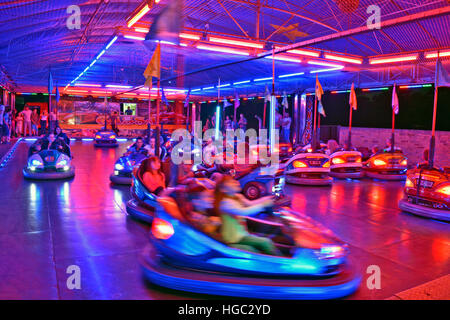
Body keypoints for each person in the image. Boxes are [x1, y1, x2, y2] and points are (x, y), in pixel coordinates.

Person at [213, 176, 279, 255]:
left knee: (265, 242)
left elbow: (251, 204)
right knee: (257, 248)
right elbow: (244, 212)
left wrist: (267, 198)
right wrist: (263, 205)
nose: (236, 182)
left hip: (242, 235)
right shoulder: (225, 203)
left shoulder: (237, 197)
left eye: (235, 180)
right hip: (232, 239)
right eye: (231, 182)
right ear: (223, 189)